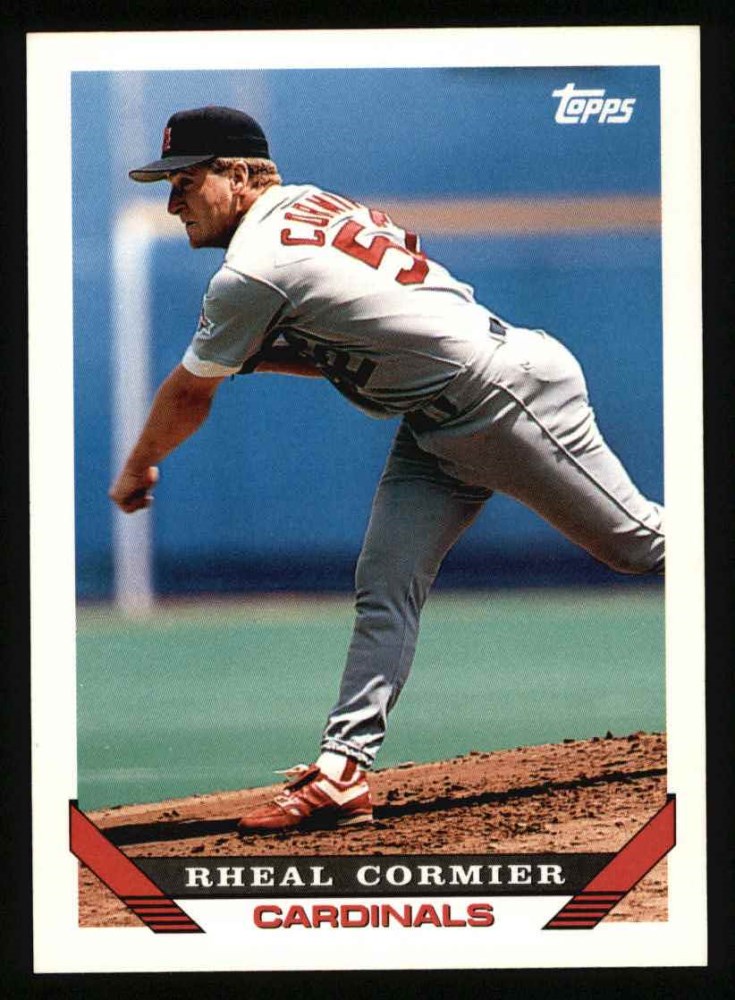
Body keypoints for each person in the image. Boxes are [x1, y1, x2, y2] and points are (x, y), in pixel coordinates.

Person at [111, 106, 665, 834]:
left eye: (184, 181)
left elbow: (189, 394)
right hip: (440, 418)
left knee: (639, 545)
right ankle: (342, 773)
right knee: (384, 583)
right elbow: (363, 343)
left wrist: (139, 465)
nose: (172, 202)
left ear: (239, 174)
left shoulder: (251, 270)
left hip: (502, 397)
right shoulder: (315, 207)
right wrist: (259, 356)